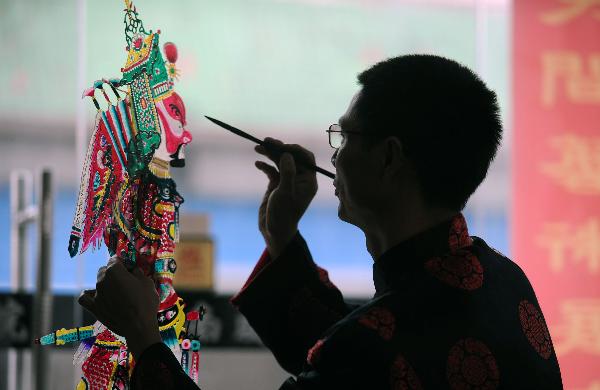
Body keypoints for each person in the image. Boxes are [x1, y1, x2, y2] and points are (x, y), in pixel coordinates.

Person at [79, 54, 563, 389]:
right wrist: (282, 235)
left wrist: (142, 333)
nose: (335, 152)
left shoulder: (371, 346)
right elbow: (352, 346)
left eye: (345, 137)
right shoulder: (504, 281)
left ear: (390, 158)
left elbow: (360, 352)